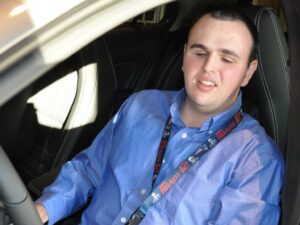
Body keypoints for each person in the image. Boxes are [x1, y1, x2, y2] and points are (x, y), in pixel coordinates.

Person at [35, 5, 284, 225]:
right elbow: (87, 172)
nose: (208, 67)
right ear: (185, 56)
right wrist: (42, 209)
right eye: (199, 52)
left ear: (248, 72)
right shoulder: (140, 106)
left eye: (227, 59)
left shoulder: (256, 160)